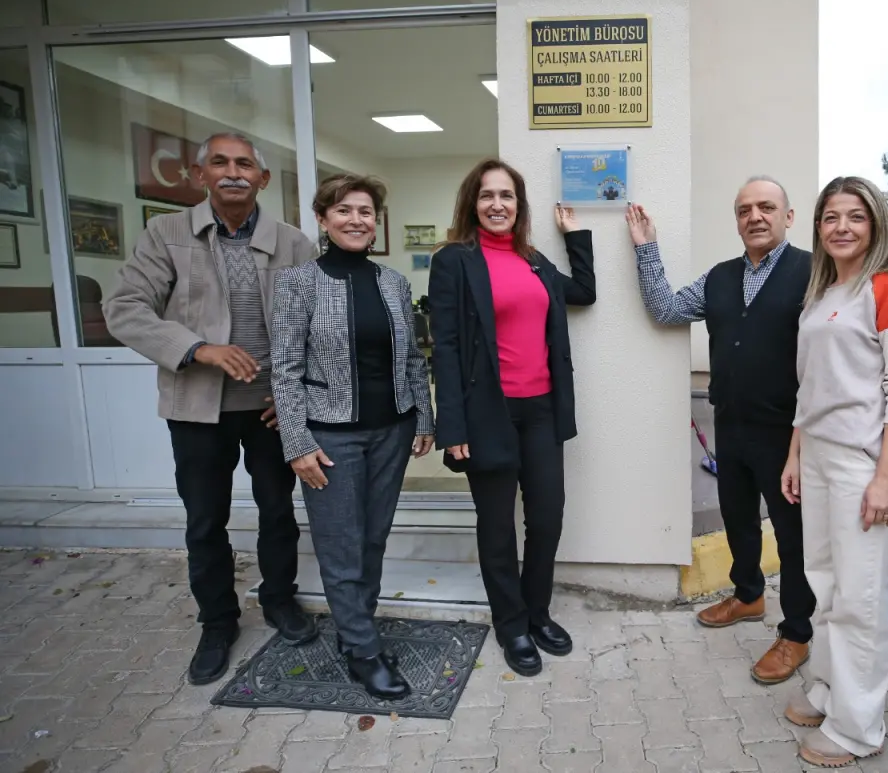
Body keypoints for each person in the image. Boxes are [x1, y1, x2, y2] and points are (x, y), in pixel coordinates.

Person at [103, 132, 319, 685]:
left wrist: (297, 396)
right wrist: (199, 348)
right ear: (200, 175)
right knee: (205, 520)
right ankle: (218, 621)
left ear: (262, 179)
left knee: (278, 512)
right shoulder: (166, 235)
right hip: (198, 407)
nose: (232, 172)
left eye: (244, 164)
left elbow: (319, 325)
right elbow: (124, 307)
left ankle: (279, 600)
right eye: (219, 162)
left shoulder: (294, 244)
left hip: (271, 406)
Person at [626, 176, 817, 685]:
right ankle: (748, 595)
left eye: (766, 207)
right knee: (737, 518)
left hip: (787, 433)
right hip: (730, 423)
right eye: (744, 209)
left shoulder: (814, 272)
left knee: (793, 536)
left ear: (788, 217)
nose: (755, 217)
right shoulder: (719, 278)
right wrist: (646, 248)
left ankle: (797, 633)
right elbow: (666, 308)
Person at [429, 158, 596, 678]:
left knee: (546, 519)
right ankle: (511, 624)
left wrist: (575, 236)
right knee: (498, 526)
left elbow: (584, 292)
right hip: (488, 415)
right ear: (472, 203)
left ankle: (538, 612)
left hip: (542, 411)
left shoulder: (535, 261)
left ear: (519, 206)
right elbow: (446, 347)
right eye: (487, 196)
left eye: (507, 196)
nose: (497, 205)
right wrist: (452, 426)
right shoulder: (454, 261)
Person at [270, 174, 435, 699]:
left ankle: (354, 631)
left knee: (373, 539)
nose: (356, 220)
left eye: (365, 211)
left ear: (375, 222)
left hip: (392, 430)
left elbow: (412, 358)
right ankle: (364, 651)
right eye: (343, 210)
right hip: (330, 439)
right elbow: (285, 370)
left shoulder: (394, 283)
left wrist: (424, 417)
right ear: (323, 219)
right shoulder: (298, 282)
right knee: (342, 548)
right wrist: (297, 443)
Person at [779, 176, 888, 767]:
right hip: (816, 454)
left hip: (862, 463)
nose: (841, 227)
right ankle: (830, 688)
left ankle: (858, 728)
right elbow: (809, 386)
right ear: (818, 227)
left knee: (861, 598)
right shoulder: (821, 294)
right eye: (831, 217)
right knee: (825, 583)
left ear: (876, 224)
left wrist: (887, 477)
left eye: (855, 216)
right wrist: (795, 453)